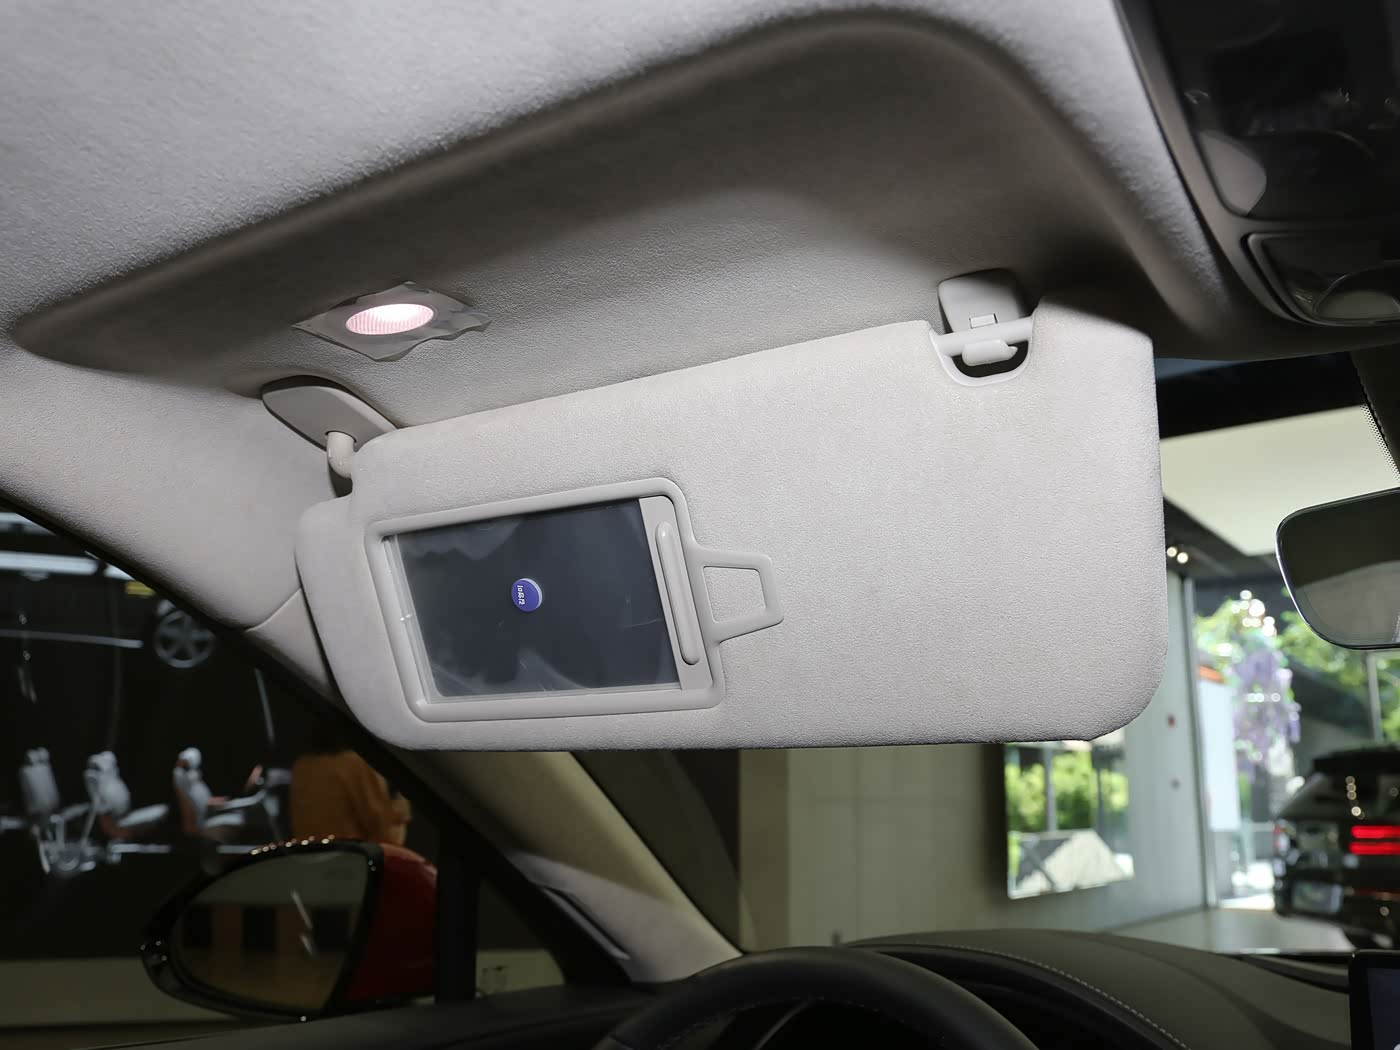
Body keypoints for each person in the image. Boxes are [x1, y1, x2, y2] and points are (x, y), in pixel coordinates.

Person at [290, 728, 410, 845]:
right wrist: (400, 805)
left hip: (311, 856)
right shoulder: (357, 764)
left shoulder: (302, 766)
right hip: (352, 856)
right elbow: (387, 836)